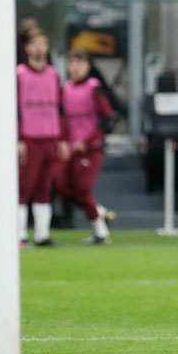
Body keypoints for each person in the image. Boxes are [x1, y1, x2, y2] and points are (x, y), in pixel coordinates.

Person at [17, 29, 69, 247]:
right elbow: (14, 107)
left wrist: (63, 138)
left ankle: (42, 235)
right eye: (35, 44)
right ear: (27, 48)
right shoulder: (18, 74)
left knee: (45, 187)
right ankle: (18, 235)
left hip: (51, 138)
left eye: (43, 44)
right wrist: (18, 137)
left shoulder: (53, 74)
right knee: (24, 187)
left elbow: (60, 107)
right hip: (29, 139)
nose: (40, 48)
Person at [59, 50, 117, 245]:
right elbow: (63, 119)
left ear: (88, 67)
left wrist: (88, 140)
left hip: (91, 149)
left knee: (83, 189)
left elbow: (107, 118)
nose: (75, 67)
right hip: (71, 148)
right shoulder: (65, 88)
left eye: (80, 63)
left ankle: (101, 233)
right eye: (72, 62)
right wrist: (65, 140)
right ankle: (100, 211)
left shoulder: (94, 88)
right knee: (63, 187)